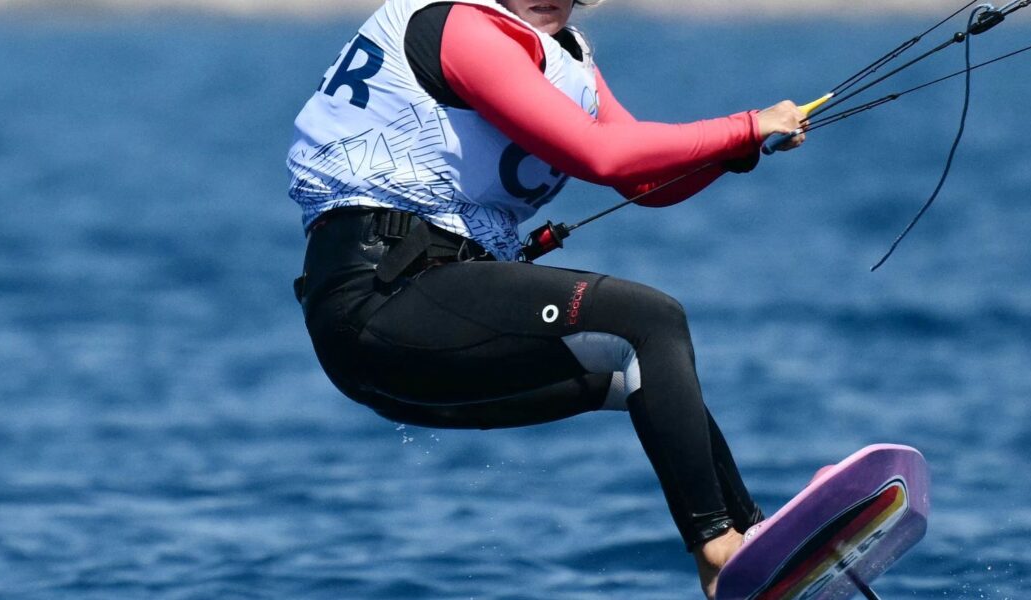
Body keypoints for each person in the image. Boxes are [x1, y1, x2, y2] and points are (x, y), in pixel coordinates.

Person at [286, 0, 807, 595]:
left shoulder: (570, 57)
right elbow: (600, 154)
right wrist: (746, 124)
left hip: (424, 320)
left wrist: (736, 151)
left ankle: (753, 545)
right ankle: (718, 553)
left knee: (644, 378)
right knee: (650, 319)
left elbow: (640, 181)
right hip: (381, 298)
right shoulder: (463, 27)